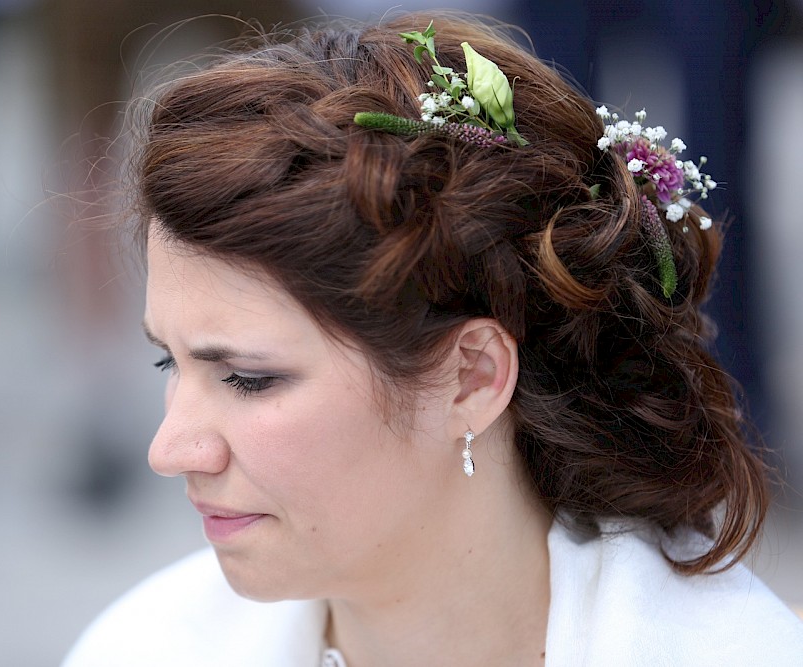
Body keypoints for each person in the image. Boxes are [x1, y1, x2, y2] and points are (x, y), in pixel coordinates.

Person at [62, 11, 803, 666]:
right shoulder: (144, 646)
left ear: (473, 377)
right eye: (170, 358)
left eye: (249, 378)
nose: (169, 448)